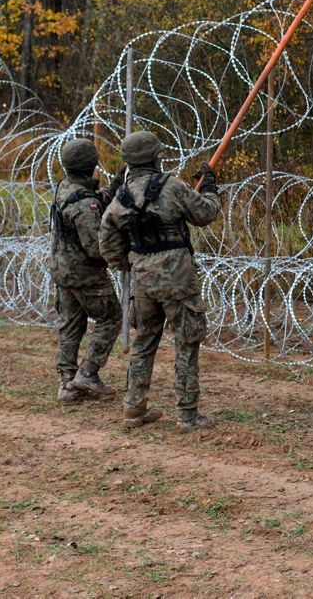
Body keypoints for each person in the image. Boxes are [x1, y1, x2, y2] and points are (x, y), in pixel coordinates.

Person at [98, 132, 221, 432]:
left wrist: (129, 261)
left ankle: (133, 408)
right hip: (178, 278)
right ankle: (188, 414)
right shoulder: (172, 187)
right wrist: (212, 188)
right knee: (187, 342)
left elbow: (107, 244)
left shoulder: (120, 198)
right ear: (155, 157)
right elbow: (205, 213)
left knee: (144, 342)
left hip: (143, 279)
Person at [51, 138, 125, 403]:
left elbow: (90, 200)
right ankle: (88, 373)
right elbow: (96, 246)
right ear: (92, 164)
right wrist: (123, 255)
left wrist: (115, 187)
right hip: (85, 274)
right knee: (111, 318)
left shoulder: (66, 187)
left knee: (71, 326)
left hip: (64, 271)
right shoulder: (85, 204)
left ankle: (67, 384)